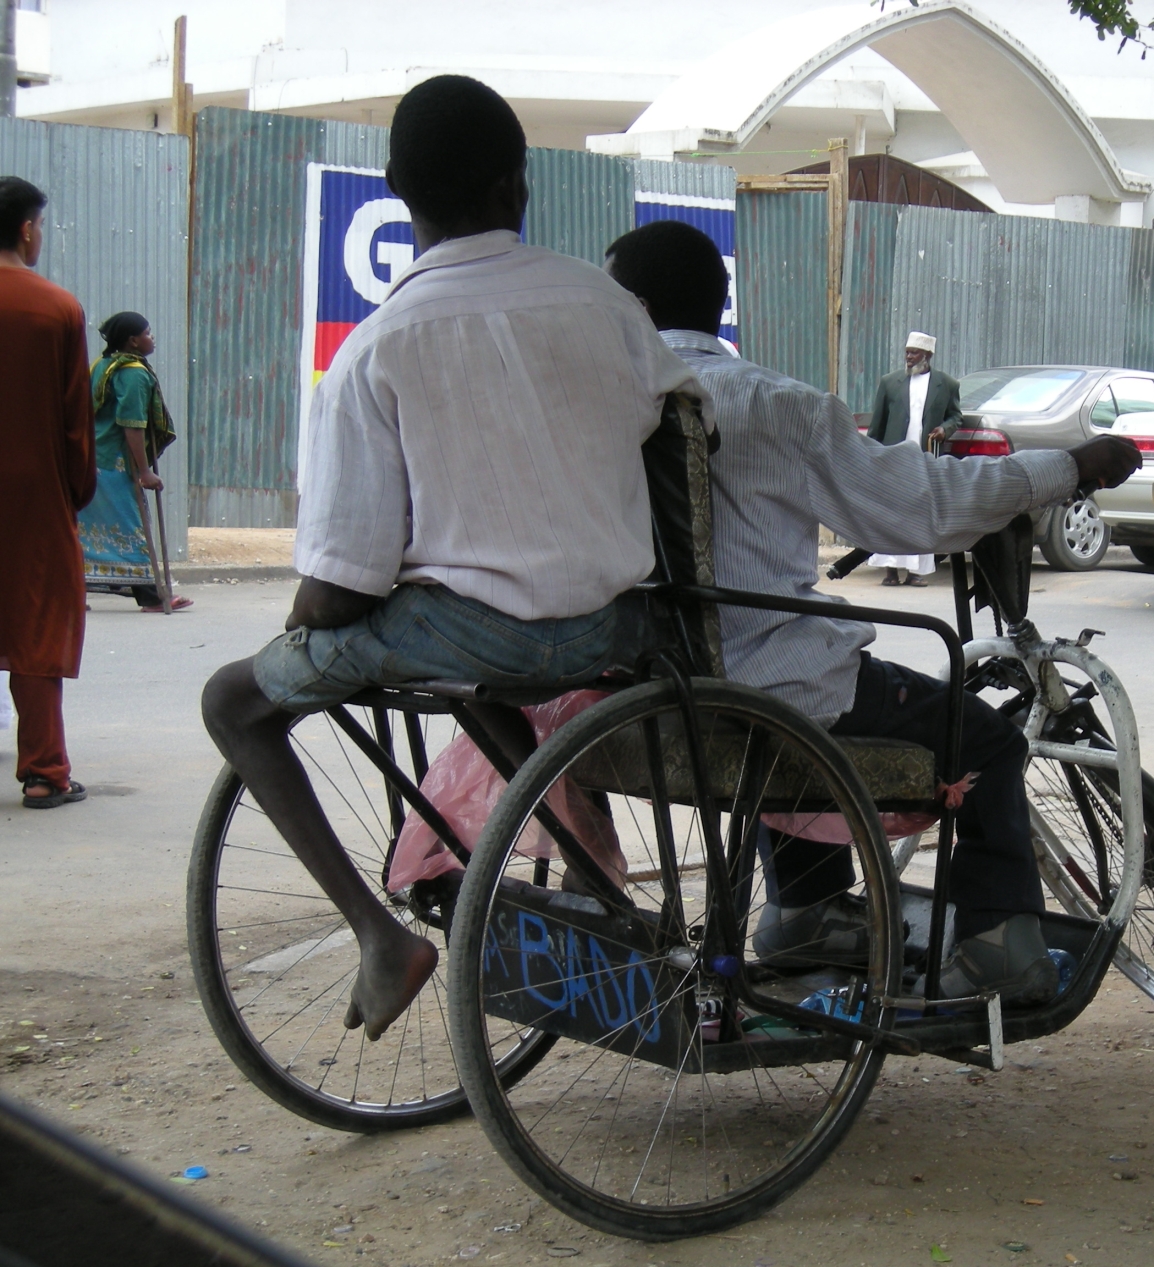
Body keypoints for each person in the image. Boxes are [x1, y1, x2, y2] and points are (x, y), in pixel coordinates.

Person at [199, 76, 702, 1042]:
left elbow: (345, 583)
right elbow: (683, 429)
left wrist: (304, 620)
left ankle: (380, 935)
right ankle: (583, 841)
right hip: (615, 620)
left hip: (484, 632)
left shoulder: (378, 347)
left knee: (234, 698)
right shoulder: (606, 305)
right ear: (520, 186)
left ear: (398, 190)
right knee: (467, 643)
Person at [603, 220, 1142, 1007]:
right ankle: (1000, 949)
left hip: (645, 679)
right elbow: (921, 506)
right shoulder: (764, 403)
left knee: (800, 679)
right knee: (984, 738)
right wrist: (1066, 466)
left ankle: (808, 908)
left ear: (636, 306)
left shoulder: (595, 407)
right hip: (760, 685)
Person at [0, 177, 97, 809]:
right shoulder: (55, 309)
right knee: (35, 620)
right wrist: (75, 492)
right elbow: (75, 422)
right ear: (29, 229)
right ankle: (43, 773)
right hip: (29, 493)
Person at [79, 311, 190, 612]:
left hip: (92, 460)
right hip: (115, 463)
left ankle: (73, 593)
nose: (152, 338)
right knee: (132, 527)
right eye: (148, 333)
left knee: (88, 530)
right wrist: (143, 470)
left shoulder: (101, 366)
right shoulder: (133, 373)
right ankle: (153, 597)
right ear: (133, 341)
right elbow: (132, 423)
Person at [863, 331, 964, 586]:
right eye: (907, 352)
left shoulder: (947, 384)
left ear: (927, 356)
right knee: (891, 512)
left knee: (920, 514)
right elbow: (877, 425)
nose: (908, 357)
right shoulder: (890, 382)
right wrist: (872, 456)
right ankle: (891, 571)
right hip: (893, 458)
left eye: (914, 353)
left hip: (924, 458)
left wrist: (945, 429)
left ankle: (916, 571)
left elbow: (955, 416)